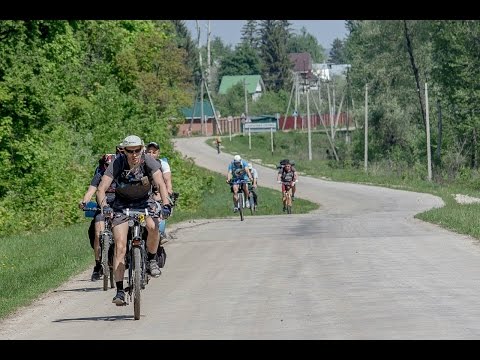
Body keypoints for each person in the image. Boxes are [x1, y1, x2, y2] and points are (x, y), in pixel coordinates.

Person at [96, 135, 172, 306]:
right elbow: (101, 189)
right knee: (120, 246)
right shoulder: (118, 163)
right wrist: (104, 206)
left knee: (154, 227)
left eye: (137, 150)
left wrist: (166, 204)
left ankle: (151, 260)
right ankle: (120, 291)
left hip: (145, 202)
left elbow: (160, 184)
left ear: (142, 149)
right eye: (130, 151)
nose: (134, 154)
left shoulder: (148, 161)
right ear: (124, 151)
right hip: (121, 206)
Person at [79, 153, 116, 281]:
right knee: (97, 233)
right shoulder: (99, 176)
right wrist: (84, 202)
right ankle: (97, 265)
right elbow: (90, 191)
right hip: (101, 208)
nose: (108, 168)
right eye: (107, 165)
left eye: (111, 165)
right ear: (103, 165)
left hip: (117, 209)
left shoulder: (120, 176)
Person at [146, 141, 175, 242]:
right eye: (149, 152)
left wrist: (167, 193)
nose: (151, 154)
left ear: (158, 153)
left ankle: (159, 234)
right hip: (145, 195)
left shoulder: (162, 164)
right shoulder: (142, 164)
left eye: (154, 152)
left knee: (159, 214)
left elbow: (167, 181)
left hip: (158, 194)